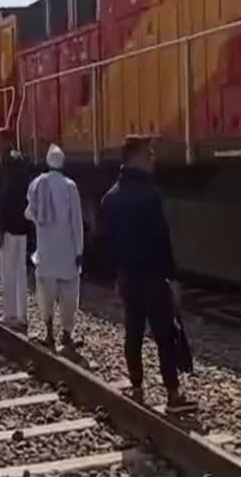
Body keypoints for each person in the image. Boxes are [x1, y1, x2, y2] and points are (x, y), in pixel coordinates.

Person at [101, 135, 197, 413]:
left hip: (128, 278)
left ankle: (137, 388)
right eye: (149, 155)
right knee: (164, 335)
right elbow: (161, 241)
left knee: (133, 333)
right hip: (153, 278)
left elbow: (107, 243)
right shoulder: (150, 195)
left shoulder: (110, 198)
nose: (153, 160)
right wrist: (173, 279)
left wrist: (117, 276)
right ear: (137, 158)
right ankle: (172, 395)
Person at [25, 144, 83, 351]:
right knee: (69, 294)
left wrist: (41, 219)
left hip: (46, 250)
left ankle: (49, 334)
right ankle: (67, 334)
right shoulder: (70, 186)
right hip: (67, 250)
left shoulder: (36, 185)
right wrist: (79, 251)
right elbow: (76, 222)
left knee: (46, 292)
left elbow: (28, 213)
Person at [0, 151, 31, 333]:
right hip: (21, 227)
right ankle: (22, 316)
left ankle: (9, 314)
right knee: (20, 272)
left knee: (7, 271)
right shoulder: (22, 167)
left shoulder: (6, 168)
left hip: (8, 228)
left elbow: (2, 200)